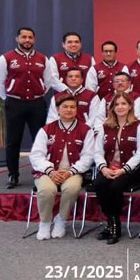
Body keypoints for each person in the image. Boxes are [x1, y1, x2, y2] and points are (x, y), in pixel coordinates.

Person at [0, 27, 64, 188]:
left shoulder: (42, 59)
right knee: (13, 141)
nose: (27, 40)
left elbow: (48, 82)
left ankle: (41, 173)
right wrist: (9, 98)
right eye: (24, 37)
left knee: (41, 140)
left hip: (36, 104)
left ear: (34, 40)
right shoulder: (6, 58)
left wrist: (38, 94)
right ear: (17, 39)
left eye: (30, 37)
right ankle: (13, 175)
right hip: (15, 103)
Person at [29, 94, 95, 240]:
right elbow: (36, 155)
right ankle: (45, 223)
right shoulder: (46, 129)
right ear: (58, 109)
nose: (69, 110)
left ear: (77, 109)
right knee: (47, 190)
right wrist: (50, 171)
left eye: (72, 107)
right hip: (47, 172)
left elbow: (88, 156)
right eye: (65, 107)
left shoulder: (86, 130)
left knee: (72, 188)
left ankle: (61, 220)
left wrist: (70, 172)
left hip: (72, 172)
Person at [93, 92, 140, 244]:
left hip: (130, 170)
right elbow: (97, 151)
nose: (120, 107)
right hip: (109, 168)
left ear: (130, 106)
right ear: (112, 108)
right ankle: (112, 222)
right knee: (99, 184)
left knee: (115, 186)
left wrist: (124, 170)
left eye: (124, 103)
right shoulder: (105, 126)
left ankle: (114, 226)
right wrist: (103, 168)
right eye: (116, 104)